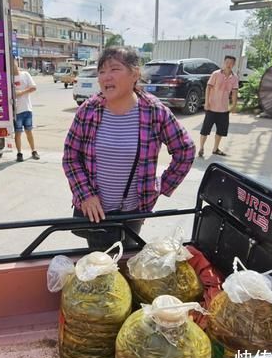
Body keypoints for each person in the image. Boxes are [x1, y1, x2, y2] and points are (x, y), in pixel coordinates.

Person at [62, 47, 196, 250]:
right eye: (102, 71)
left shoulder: (155, 112)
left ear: (135, 73)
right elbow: (71, 156)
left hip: (134, 211)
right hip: (94, 212)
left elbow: (185, 150)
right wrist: (85, 194)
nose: (106, 77)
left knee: (127, 259)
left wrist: (160, 187)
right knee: (99, 266)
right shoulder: (88, 111)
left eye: (114, 69)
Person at [198, 55, 239, 157]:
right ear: (224, 62)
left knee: (221, 131)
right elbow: (208, 88)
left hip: (224, 109)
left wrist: (233, 105)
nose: (229, 65)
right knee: (205, 130)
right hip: (212, 107)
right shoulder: (216, 74)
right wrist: (206, 102)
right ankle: (201, 148)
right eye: (227, 62)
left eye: (231, 63)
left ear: (234, 64)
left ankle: (215, 149)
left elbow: (234, 92)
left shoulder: (234, 77)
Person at [12, 59, 40, 162]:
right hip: (16, 111)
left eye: (14, 63)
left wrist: (21, 92)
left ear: (17, 63)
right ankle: (19, 153)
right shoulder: (9, 77)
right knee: (18, 133)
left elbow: (33, 87)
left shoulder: (25, 74)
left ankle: (34, 151)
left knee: (29, 131)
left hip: (27, 109)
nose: (13, 66)